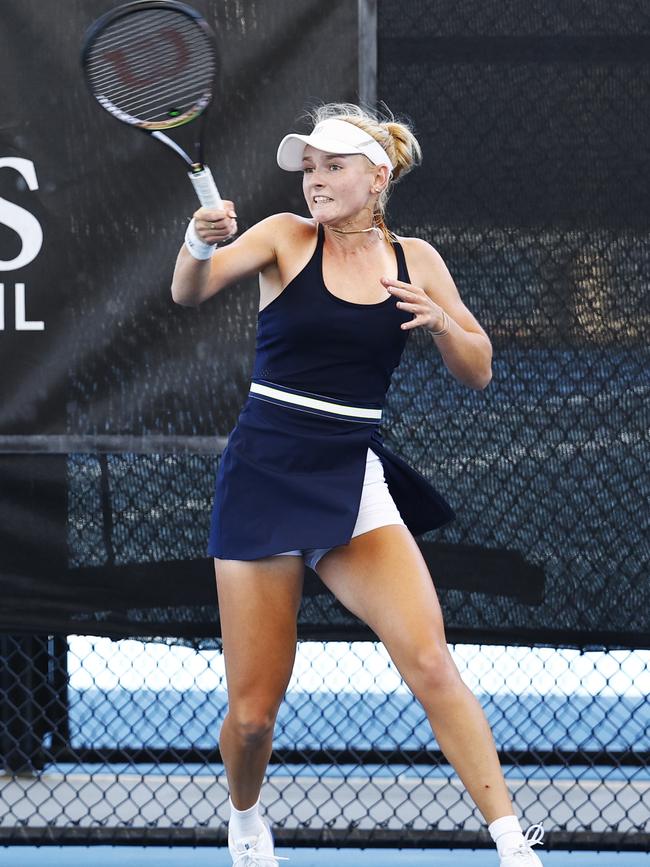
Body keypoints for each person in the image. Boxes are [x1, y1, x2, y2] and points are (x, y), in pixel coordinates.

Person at [171, 103, 545, 867]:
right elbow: (190, 291)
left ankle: (514, 846)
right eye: (308, 167)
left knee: (433, 661)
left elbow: (479, 368)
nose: (315, 180)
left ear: (377, 177)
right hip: (265, 475)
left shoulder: (418, 260)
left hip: (351, 475)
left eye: (333, 166)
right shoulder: (283, 237)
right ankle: (245, 818)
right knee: (250, 718)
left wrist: (442, 320)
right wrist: (194, 241)